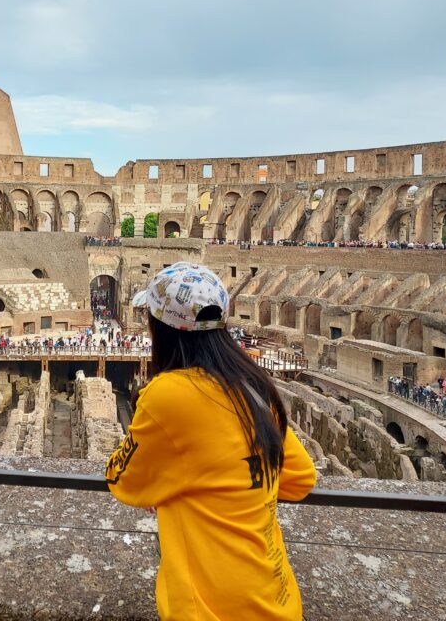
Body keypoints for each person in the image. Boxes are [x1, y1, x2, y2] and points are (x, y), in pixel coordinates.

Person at [106, 262, 316, 620]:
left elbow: (121, 479)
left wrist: (175, 483)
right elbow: (299, 481)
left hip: (210, 609)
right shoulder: (253, 386)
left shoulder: (167, 395)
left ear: (161, 329)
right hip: (278, 601)